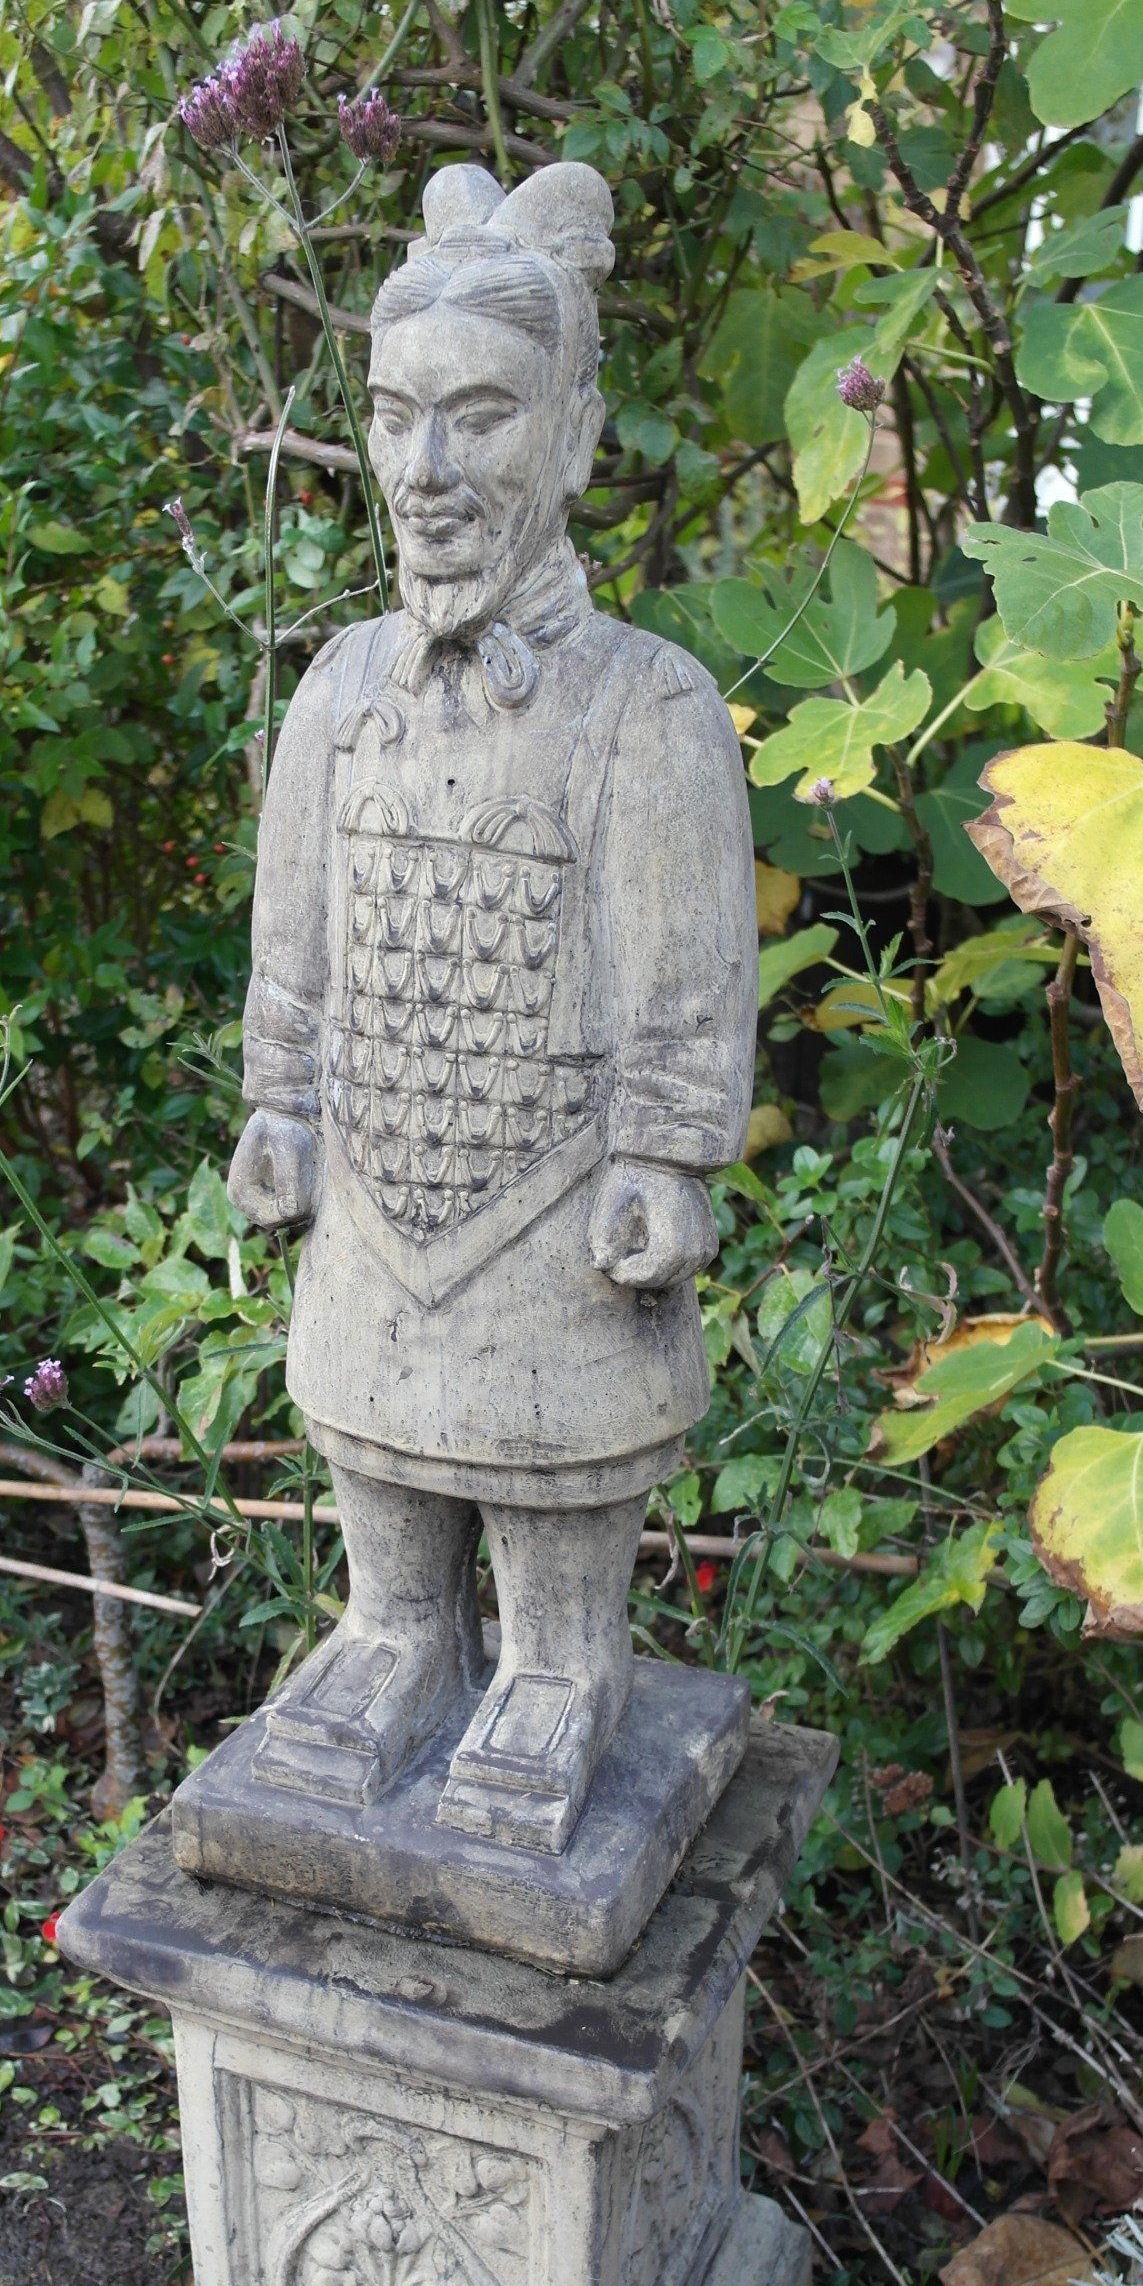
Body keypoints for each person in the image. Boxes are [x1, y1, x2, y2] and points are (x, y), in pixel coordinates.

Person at [225, 157, 757, 1856]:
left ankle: (559, 1663)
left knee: (555, 1436)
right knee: (373, 1415)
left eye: (479, 419)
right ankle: (392, 1633)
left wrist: (668, 1158)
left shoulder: (647, 709)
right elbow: (293, 935)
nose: (426, 472)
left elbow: (685, 970)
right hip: (377, 1177)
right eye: (396, 420)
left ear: (576, 435)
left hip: (554, 1192)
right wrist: (278, 1102)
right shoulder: (337, 693)